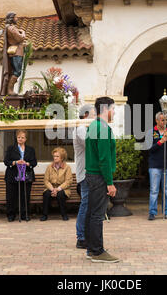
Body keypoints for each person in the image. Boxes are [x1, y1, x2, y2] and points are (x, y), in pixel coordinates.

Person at [84, 96, 119, 263]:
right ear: (105, 109)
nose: (114, 112)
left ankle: (92, 248)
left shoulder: (93, 125)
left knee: (92, 213)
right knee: (98, 215)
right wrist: (110, 183)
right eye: (113, 109)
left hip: (91, 175)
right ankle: (97, 251)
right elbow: (104, 159)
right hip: (99, 177)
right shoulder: (103, 128)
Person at [73, 104, 96, 249]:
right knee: (86, 204)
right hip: (85, 174)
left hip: (89, 173)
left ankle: (86, 235)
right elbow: (91, 144)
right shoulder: (81, 128)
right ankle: (81, 237)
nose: (95, 117)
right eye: (93, 114)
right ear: (86, 115)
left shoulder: (86, 128)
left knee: (89, 205)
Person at [4, 129, 37, 222]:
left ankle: (24, 214)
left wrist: (27, 163)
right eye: (19, 137)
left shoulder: (30, 149)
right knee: (11, 196)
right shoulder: (11, 148)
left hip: (26, 173)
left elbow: (34, 162)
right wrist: (15, 162)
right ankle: (11, 215)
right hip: (12, 174)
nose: (20, 139)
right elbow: (6, 161)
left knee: (25, 195)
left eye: (22, 137)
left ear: (26, 139)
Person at [147, 112, 167, 221]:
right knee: (154, 190)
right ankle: (152, 212)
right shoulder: (151, 132)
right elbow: (150, 148)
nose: (165, 122)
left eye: (166, 120)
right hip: (155, 165)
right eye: (162, 120)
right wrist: (160, 142)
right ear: (157, 121)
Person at [41, 147, 73, 221]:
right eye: (54, 156)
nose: (55, 158)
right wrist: (52, 189)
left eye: (57, 156)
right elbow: (46, 180)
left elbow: (68, 181)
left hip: (63, 189)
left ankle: (64, 214)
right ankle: (44, 215)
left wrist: (58, 189)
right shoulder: (49, 167)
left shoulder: (67, 167)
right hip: (51, 188)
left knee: (60, 194)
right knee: (46, 194)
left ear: (62, 158)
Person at [0, 12, 27, 96]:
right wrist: (23, 32)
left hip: (17, 51)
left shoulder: (11, 28)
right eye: (15, 17)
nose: (17, 19)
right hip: (16, 52)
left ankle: (10, 90)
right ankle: (10, 90)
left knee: (16, 71)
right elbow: (20, 38)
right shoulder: (11, 28)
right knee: (17, 72)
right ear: (11, 19)